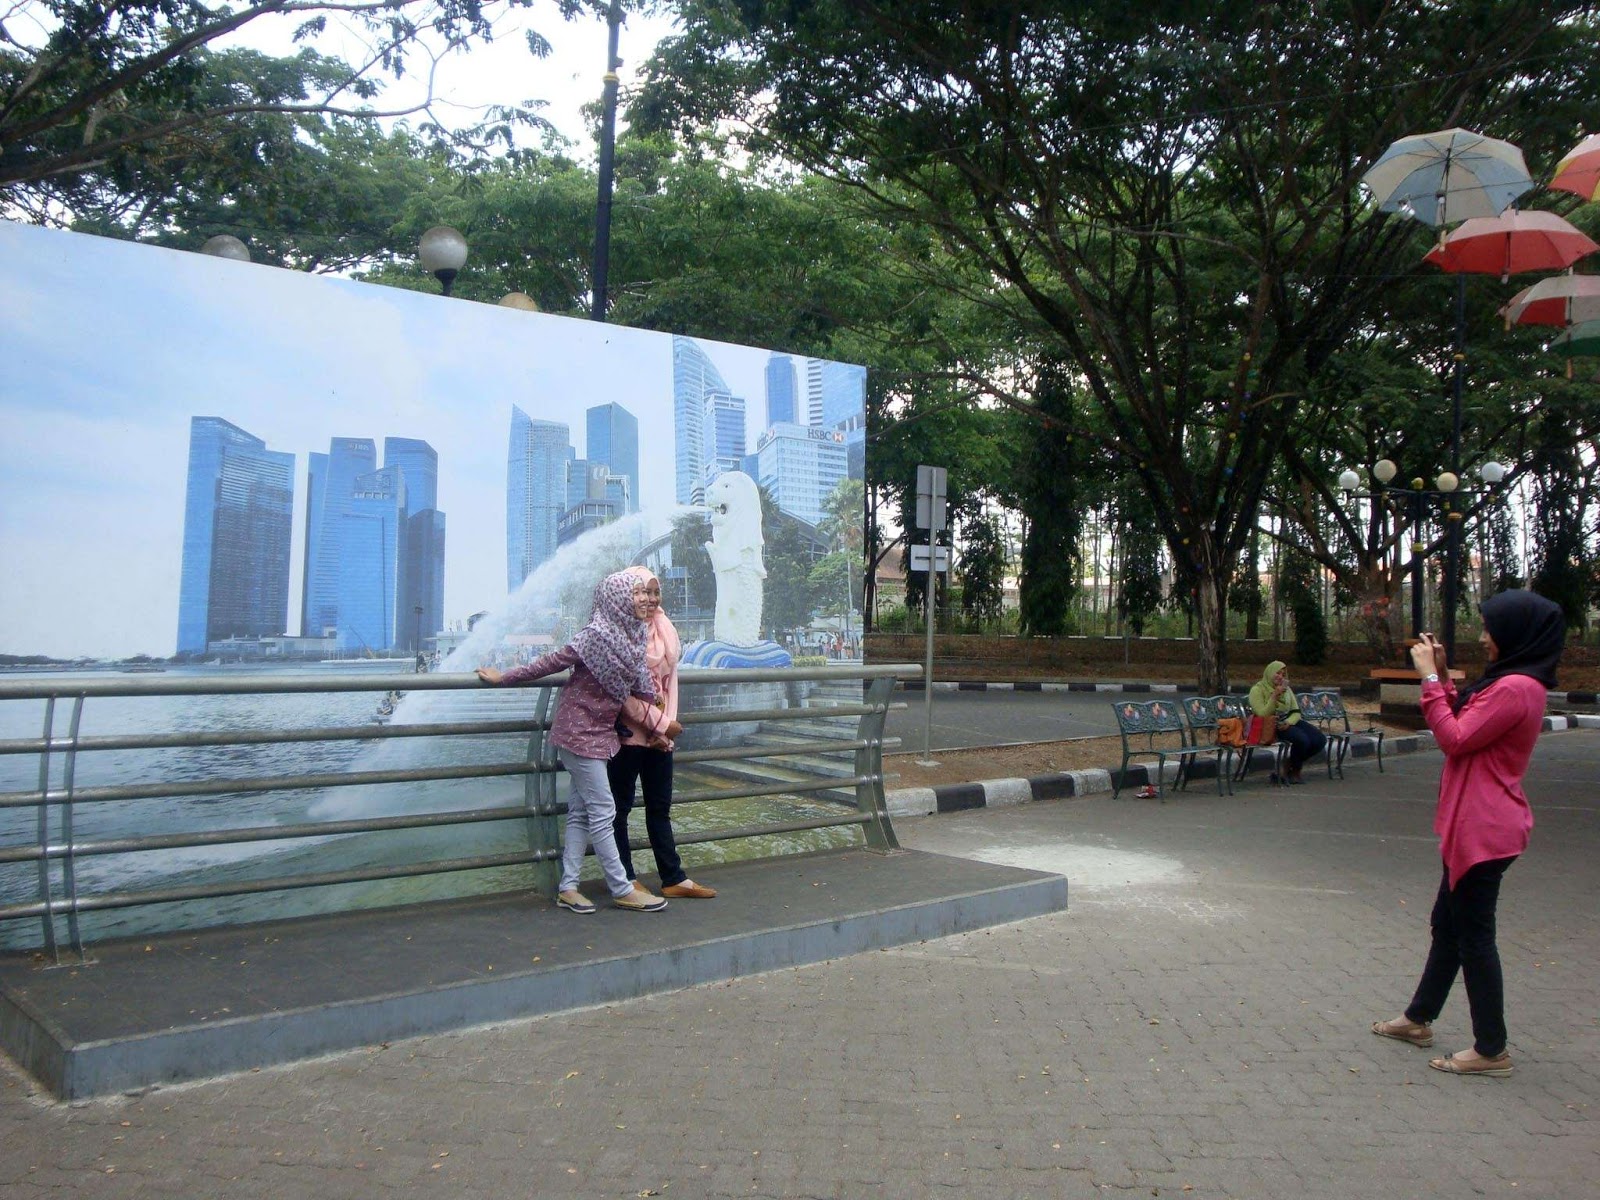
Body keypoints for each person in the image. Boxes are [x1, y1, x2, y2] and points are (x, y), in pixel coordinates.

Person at [1371, 590, 1565, 1077]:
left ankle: (1491, 1048)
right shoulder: (1510, 682)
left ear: (1515, 633)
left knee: (1474, 936)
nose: (1482, 638)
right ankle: (1418, 1018)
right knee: (1450, 925)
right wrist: (1441, 676)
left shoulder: (1516, 687)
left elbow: (1454, 739)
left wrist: (1430, 679)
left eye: (1489, 628)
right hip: (1472, 824)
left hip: (1485, 828)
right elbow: (1468, 725)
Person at [476, 571, 669, 915]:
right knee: (604, 810)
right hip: (577, 732)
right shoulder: (595, 636)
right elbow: (550, 663)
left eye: (645, 593)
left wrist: (657, 718)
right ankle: (622, 887)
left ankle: (568, 887)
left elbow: (642, 687)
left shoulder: (633, 636)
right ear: (617, 599)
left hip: (601, 733)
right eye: (636, 593)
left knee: (581, 813)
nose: (643, 599)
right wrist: (503, 677)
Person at [608, 566, 718, 899]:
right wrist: (660, 724)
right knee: (619, 810)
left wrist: (665, 730)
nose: (650, 598)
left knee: (660, 808)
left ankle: (672, 878)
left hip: (660, 737)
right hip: (626, 736)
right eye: (642, 591)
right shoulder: (619, 633)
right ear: (628, 595)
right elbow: (622, 693)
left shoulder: (665, 630)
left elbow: (671, 685)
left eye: (654, 592)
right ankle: (625, 879)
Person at [1247, 660, 1326, 783]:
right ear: (1269, 673)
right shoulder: (1257, 690)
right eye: (1277, 673)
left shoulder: (1287, 690)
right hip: (1271, 724)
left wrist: (1289, 722)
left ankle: (1289, 762)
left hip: (1288, 721)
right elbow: (1262, 714)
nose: (1280, 677)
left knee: (1319, 739)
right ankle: (1295, 771)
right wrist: (1274, 697)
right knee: (1302, 740)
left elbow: (1296, 711)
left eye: (1283, 674)